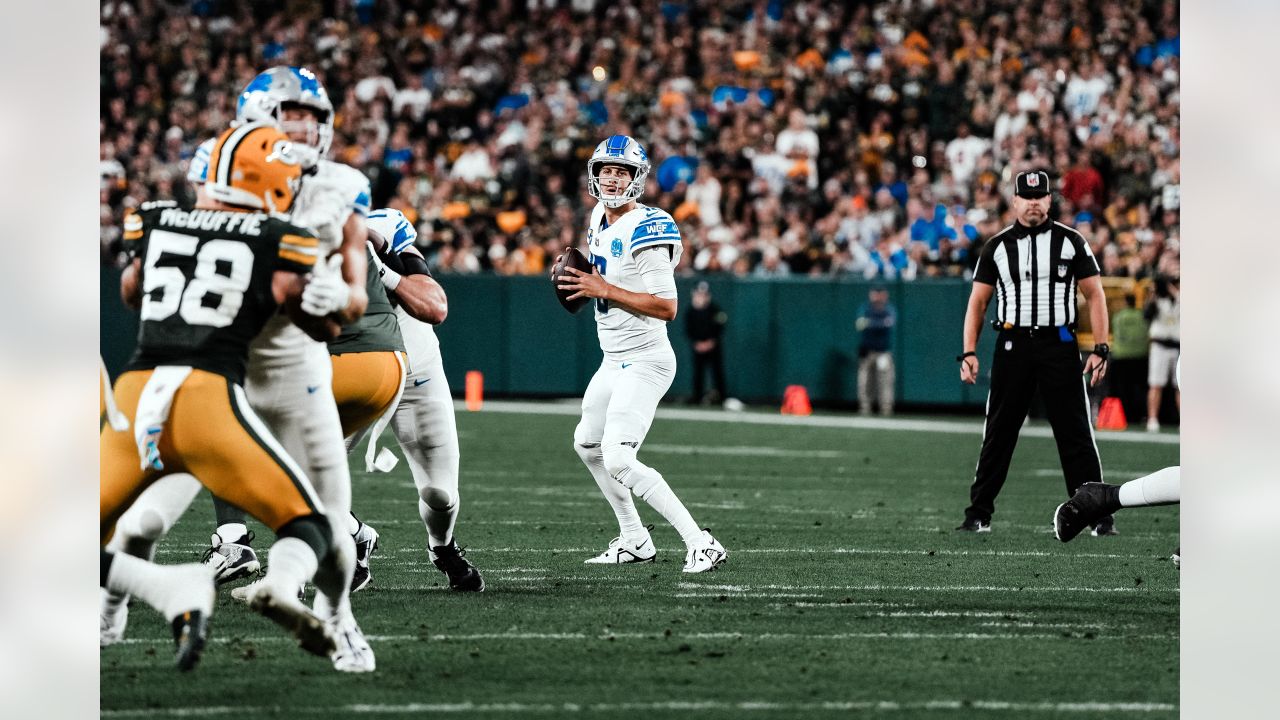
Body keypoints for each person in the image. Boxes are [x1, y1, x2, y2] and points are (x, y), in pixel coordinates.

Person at [101, 67, 377, 673]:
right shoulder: (222, 162)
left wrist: (340, 299)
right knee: (147, 515)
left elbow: (354, 280)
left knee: (332, 519)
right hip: (216, 368)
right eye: (288, 114)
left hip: (291, 367)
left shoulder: (338, 185)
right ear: (254, 117)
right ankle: (115, 596)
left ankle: (337, 616)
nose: (302, 129)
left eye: (312, 117)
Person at [554, 134, 727, 572]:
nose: (611, 179)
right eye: (606, 171)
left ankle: (701, 541)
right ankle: (634, 537)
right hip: (613, 359)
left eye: (621, 172)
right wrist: (585, 277)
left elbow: (667, 307)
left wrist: (602, 287)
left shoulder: (651, 227)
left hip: (646, 359)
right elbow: (605, 272)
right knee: (586, 444)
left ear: (637, 178)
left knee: (617, 457)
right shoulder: (597, 216)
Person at [957, 169, 1113, 534]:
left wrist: (1100, 346)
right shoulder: (996, 246)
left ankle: (1097, 515)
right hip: (1012, 346)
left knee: (1075, 433)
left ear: (1049, 200)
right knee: (999, 432)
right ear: (1014, 201)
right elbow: (978, 303)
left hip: (1059, 344)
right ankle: (978, 513)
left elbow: (1096, 294)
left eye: (1039, 196)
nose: (1033, 203)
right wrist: (969, 351)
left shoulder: (1071, 241)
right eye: (1026, 197)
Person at [360, 208, 484, 592]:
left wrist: (381, 268)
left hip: (415, 371)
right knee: (303, 470)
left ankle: (442, 547)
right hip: (349, 370)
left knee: (440, 494)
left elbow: (435, 307)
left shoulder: (381, 229)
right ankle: (352, 536)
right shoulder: (291, 242)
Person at [684, 281, 729, 406]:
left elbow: (720, 326)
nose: (701, 297)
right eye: (699, 294)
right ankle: (697, 397)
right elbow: (688, 329)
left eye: (703, 294)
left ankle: (722, 397)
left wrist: (711, 342)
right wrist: (697, 343)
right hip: (698, 347)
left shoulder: (715, 309)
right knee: (698, 373)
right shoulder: (690, 311)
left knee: (717, 372)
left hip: (713, 347)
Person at [1144, 276, 1180, 431]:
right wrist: (1154, 296)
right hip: (1159, 345)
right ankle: (1152, 418)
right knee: (1156, 384)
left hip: (1179, 346)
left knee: (1180, 385)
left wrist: (1176, 294)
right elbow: (1147, 315)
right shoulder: (1157, 300)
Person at [1107, 293, 1150, 424]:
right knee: (1140, 389)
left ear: (1125, 302)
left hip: (1121, 356)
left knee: (1123, 389)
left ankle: (1125, 415)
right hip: (1140, 356)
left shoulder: (1119, 317)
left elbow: (1118, 334)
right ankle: (1141, 415)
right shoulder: (1141, 316)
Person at [856, 286, 897, 416]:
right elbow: (860, 324)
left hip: (883, 351)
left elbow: (889, 322)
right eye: (875, 294)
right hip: (867, 351)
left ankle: (886, 407)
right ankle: (865, 407)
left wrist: (871, 323)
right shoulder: (865, 308)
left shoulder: (889, 309)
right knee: (865, 381)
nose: (878, 297)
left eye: (881, 294)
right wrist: (878, 323)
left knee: (885, 381)